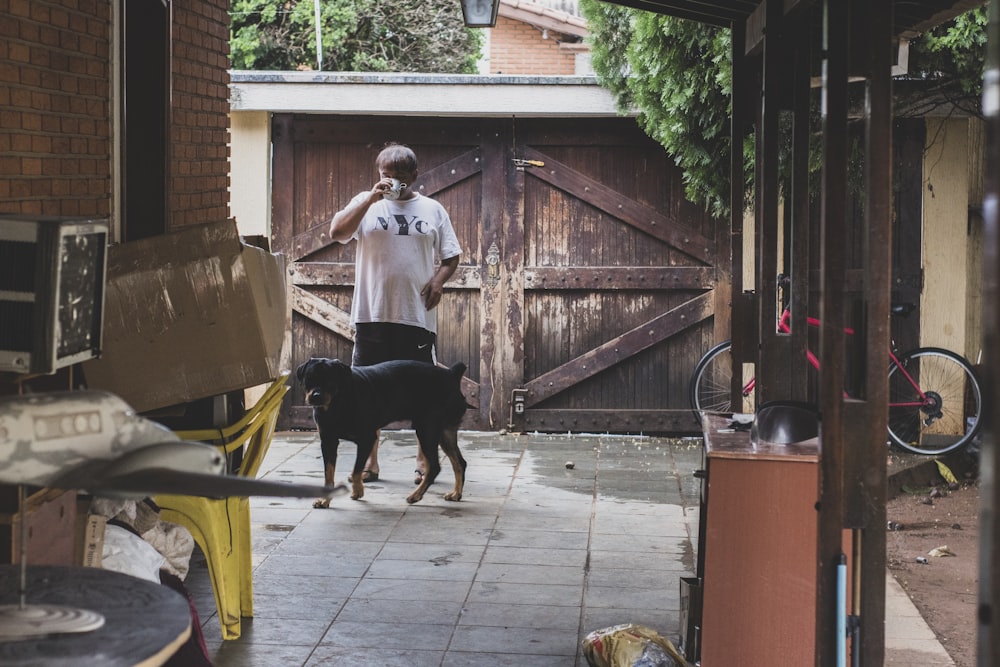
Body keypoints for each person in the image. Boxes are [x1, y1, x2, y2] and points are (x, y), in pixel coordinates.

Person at [328, 143, 462, 485]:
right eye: (387, 176)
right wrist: (370, 199)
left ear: (415, 176)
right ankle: (369, 462)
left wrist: (439, 281)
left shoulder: (432, 209)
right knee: (364, 392)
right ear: (379, 174)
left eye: (401, 177)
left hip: (416, 317)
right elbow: (338, 233)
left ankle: (424, 461)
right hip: (371, 315)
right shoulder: (366, 203)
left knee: (423, 393)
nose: (394, 183)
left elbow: (451, 257)